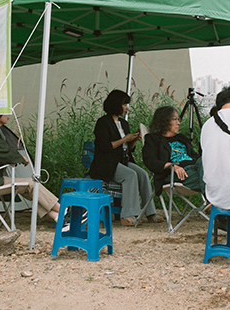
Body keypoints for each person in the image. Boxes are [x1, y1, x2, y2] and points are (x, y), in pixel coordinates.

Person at [0, 113, 61, 223]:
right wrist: (18, 158)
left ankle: (57, 216)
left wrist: (13, 159)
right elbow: (2, 152)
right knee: (32, 184)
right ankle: (65, 211)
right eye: (6, 112)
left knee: (28, 188)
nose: (9, 114)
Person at [88, 89, 162, 226]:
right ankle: (127, 215)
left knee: (143, 174)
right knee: (130, 175)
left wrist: (133, 140)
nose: (127, 108)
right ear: (116, 104)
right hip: (106, 163)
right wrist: (124, 139)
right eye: (124, 104)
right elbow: (105, 147)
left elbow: (129, 149)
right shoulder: (103, 123)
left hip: (122, 160)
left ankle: (150, 213)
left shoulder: (124, 124)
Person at [142, 105, 206, 195]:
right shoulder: (153, 139)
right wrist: (172, 166)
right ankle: (212, 200)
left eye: (178, 119)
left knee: (206, 162)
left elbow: (195, 156)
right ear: (164, 121)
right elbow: (150, 161)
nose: (178, 123)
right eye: (175, 119)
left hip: (195, 169)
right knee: (212, 179)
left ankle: (212, 200)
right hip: (175, 174)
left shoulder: (182, 138)